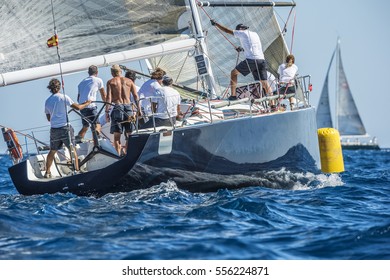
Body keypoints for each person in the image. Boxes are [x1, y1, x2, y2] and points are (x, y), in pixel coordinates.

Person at [210, 20, 272, 101]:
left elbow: (227, 31)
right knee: (264, 83)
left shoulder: (242, 33)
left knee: (233, 73)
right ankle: (273, 104)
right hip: (262, 60)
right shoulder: (255, 34)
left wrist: (216, 24)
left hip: (252, 60)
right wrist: (242, 49)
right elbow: (252, 46)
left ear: (240, 29)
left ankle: (233, 96)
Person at [44, 78, 91, 178]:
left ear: (50, 88)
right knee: (72, 149)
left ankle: (47, 172)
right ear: (59, 87)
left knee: (52, 151)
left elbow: (48, 118)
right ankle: (77, 170)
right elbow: (78, 107)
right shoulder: (64, 97)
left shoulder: (47, 101)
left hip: (54, 129)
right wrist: (87, 103)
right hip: (65, 128)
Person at [105, 64, 141, 155]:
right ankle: (128, 152)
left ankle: (118, 155)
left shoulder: (111, 82)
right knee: (129, 134)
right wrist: (139, 109)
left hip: (118, 108)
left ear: (112, 73)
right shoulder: (129, 81)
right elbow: (136, 96)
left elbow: (109, 98)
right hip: (128, 108)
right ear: (120, 72)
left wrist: (107, 112)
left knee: (117, 136)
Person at [76, 65, 106, 142]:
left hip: (82, 107)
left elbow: (78, 98)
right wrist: (107, 106)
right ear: (97, 72)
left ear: (88, 72)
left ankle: (79, 138)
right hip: (91, 106)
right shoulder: (98, 80)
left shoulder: (81, 83)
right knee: (97, 125)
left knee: (85, 126)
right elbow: (103, 95)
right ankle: (96, 138)